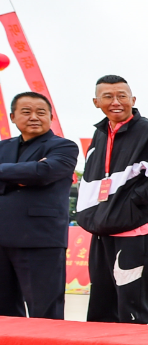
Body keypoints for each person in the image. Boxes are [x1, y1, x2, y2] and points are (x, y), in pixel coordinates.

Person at [76, 75, 148, 324]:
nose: (115, 101)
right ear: (96, 101)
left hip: (134, 233)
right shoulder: (99, 134)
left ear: (133, 99)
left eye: (122, 95)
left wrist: (128, 206)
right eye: (108, 96)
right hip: (102, 232)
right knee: (101, 306)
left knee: (132, 310)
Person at [0, 92, 78, 319]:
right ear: (13, 117)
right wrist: (23, 174)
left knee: (45, 312)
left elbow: (43, 173)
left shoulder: (64, 147)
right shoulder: (3, 147)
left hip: (40, 239)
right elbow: (33, 172)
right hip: (2, 238)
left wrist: (27, 172)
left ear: (50, 117)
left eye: (41, 112)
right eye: (26, 112)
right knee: (3, 314)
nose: (34, 117)